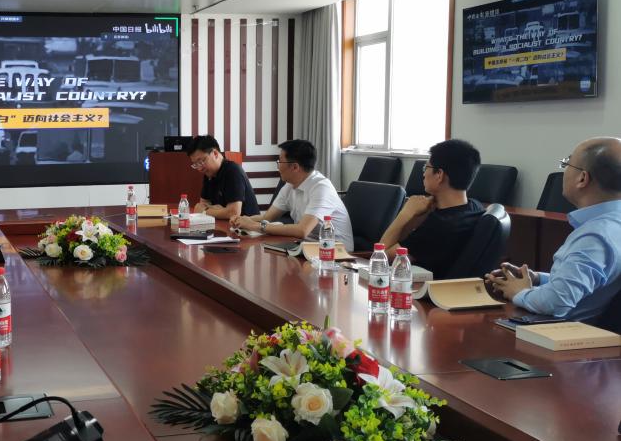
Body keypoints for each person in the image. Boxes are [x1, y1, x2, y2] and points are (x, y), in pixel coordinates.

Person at [487, 137, 621, 321]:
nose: (564, 170)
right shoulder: (612, 224)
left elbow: (557, 301)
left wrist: (519, 292)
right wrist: (537, 278)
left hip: (559, 332)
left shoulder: (595, 236)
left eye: (567, 164)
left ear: (582, 178)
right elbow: (583, 282)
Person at [379, 139, 484, 276]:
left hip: (421, 286)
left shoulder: (440, 226)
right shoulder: (475, 207)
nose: (423, 174)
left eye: (426, 168)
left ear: (439, 175)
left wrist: (405, 213)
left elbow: (381, 259)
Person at [231, 138, 354, 251]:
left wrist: (255, 226)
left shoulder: (322, 188)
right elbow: (268, 217)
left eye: (280, 161)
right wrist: (243, 220)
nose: (278, 166)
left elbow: (302, 230)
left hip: (335, 253)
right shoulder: (289, 186)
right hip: (307, 247)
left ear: (295, 167)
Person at [186, 135, 259, 219]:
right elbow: (202, 204)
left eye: (201, 161)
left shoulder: (232, 171)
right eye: (196, 164)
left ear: (215, 153)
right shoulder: (209, 174)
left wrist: (204, 211)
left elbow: (233, 212)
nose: (200, 168)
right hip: (225, 224)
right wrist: (219, 210)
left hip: (248, 226)